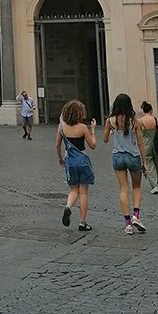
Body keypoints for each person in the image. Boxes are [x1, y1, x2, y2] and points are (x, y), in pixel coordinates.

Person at [103, 93, 147, 234]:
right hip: (132, 156)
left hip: (118, 157)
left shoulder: (110, 121)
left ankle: (127, 224)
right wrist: (144, 162)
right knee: (136, 187)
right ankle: (136, 216)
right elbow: (140, 143)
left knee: (123, 189)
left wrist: (111, 132)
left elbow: (104, 139)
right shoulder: (135, 122)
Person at [56, 99, 97, 232]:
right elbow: (93, 145)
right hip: (83, 160)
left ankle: (68, 207)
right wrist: (93, 131)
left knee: (73, 190)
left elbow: (57, 145)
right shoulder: (83, 128)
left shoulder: (62, 127)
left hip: (70, 162)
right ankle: (82, 222)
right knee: (83, 192)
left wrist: (60, 158)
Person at [139, 100, 158, 193]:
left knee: (149, 163)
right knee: (157, 163)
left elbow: (137, 135)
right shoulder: (155, 119)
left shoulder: (140, 121)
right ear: (151, 110)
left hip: (146, 144)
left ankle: (154, 185)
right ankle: (157, 179)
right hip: (156, 144)